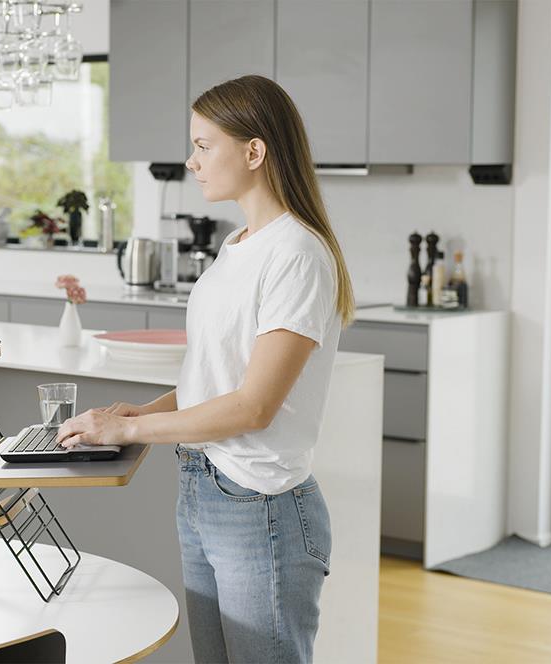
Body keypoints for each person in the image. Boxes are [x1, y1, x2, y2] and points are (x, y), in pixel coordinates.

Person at [56, 74, 356, 663]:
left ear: (254, 150)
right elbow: (216, 379)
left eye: (202, 144)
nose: (191, 161)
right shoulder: (238, 244)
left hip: (259, 502)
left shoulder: (297, 254)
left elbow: (254, 406)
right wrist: (145, 410)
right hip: (202, 486)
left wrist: (129, 431)